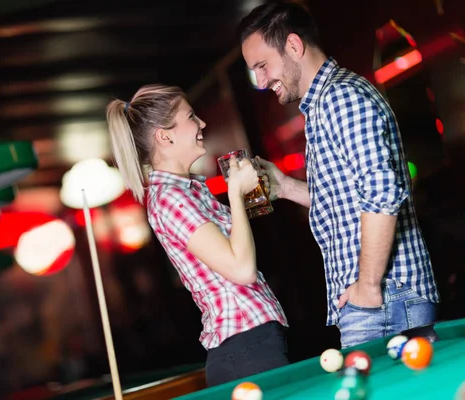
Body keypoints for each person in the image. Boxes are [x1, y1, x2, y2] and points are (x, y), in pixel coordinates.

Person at [237, 0, 439, 349]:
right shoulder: (323, 104)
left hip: (383, 298)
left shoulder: (339, 98)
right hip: (380, 300)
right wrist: (283, 186)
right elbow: (346, 200)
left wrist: (369, 285)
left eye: (262, 65)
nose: (261, 80)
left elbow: (382, 191)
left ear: (294, 46)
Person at [106, 84, 289, 386]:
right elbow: (241, 270)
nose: (202, 123)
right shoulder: (170, 199)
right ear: (165, 136)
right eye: (191, 116)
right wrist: (234, 191)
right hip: (244, 348)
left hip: (251, 344)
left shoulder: (187, 191)